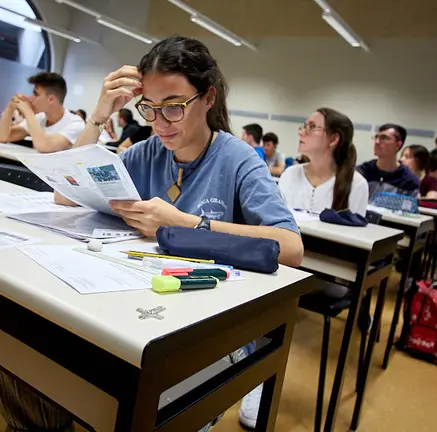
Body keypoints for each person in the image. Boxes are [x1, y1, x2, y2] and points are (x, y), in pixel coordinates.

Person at [60, 36, 301, 431]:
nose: (160, 123)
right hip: (143, 310)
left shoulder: (237, 158)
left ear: (208, 98)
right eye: (149, 108)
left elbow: (291, 248)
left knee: (144, 409)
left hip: (212, 329)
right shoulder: (147, 151)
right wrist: (98, 116)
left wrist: (185, 223)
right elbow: (65, 194)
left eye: (173, 107)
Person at [279, 108, 368, 216]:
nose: (301, 132)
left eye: (312, 127)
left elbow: (353, 232)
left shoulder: (356, 184)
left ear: (333, 140)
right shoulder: (290, 174)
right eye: (304, 126)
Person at [0, 72, 85, 153]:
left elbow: (44, 146)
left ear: (51, 99)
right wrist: (10, 108)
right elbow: (1, 137)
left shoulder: (76, 124)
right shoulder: (40, 118)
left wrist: (28, 111)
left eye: (36, 94)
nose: (31, 98)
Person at [357, 124, 419, 198]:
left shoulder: (409, 181)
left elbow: (407, 208)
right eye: (376, 137)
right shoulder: (362, 171)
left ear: (398, 145)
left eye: (384, 138)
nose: (377, 142)